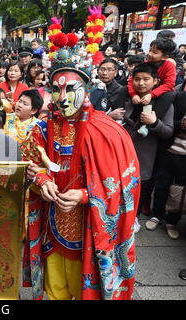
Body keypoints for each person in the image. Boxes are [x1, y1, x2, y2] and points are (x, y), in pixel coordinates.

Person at [21, 8, 140, 300]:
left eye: (70, 89)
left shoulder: (107, 132)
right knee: (55, 291)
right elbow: (28, 163)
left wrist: (86, 196)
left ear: (86, 89)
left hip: (89, 230)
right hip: (51, 225)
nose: (62, 98)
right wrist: (41, 180)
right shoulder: (42, 128)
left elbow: (125, 185)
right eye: (56, 90)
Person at [123, 62, 174, 230]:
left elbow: (167, 131)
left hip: (145, 157)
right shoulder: (128, 98)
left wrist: (154, 122)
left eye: (146, 79)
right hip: (123, 154)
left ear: (156, 81)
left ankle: (134, 218)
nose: (141, 83)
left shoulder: (164, 104)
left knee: (140, 189)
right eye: (137, 79)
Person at [147, 77, 186, 239]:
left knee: (180, 189)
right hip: (170, 149)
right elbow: (168, 122)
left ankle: (172, 221)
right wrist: (181, 124)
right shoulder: (179, 96)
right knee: (162, 183)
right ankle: (156, 215)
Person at [127, 38, 176, 107]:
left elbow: (169, 84)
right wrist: (134, 94)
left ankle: (156, 117)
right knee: (124, 89)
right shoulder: (145, 64)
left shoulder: (169, 66)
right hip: (144, 90)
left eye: (154, 52)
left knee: (169, 95)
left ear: (164, 57)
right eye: (150, 50)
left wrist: (151, 94)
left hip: (160, 92)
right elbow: (131, 81)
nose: (149, 54)